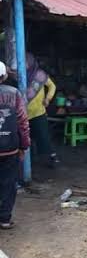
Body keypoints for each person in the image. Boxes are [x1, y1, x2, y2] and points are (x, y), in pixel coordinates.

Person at [0, 62, 30, 230]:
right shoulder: (14, 94)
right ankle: (4, 219)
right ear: (4, 76)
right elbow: (22, 122)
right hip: (10, 148)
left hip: (10, 148)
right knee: (9, 184)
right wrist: (24, 146)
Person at [25, 53, 59, 167]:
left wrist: (47, 99)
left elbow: (52, 86)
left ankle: (52, 157)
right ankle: (29, 161)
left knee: (44, 137)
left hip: (39, 113)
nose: (25, 64)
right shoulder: (18, 75)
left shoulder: (40, 74)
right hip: (23, 114)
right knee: (26, 139)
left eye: (26, 62)